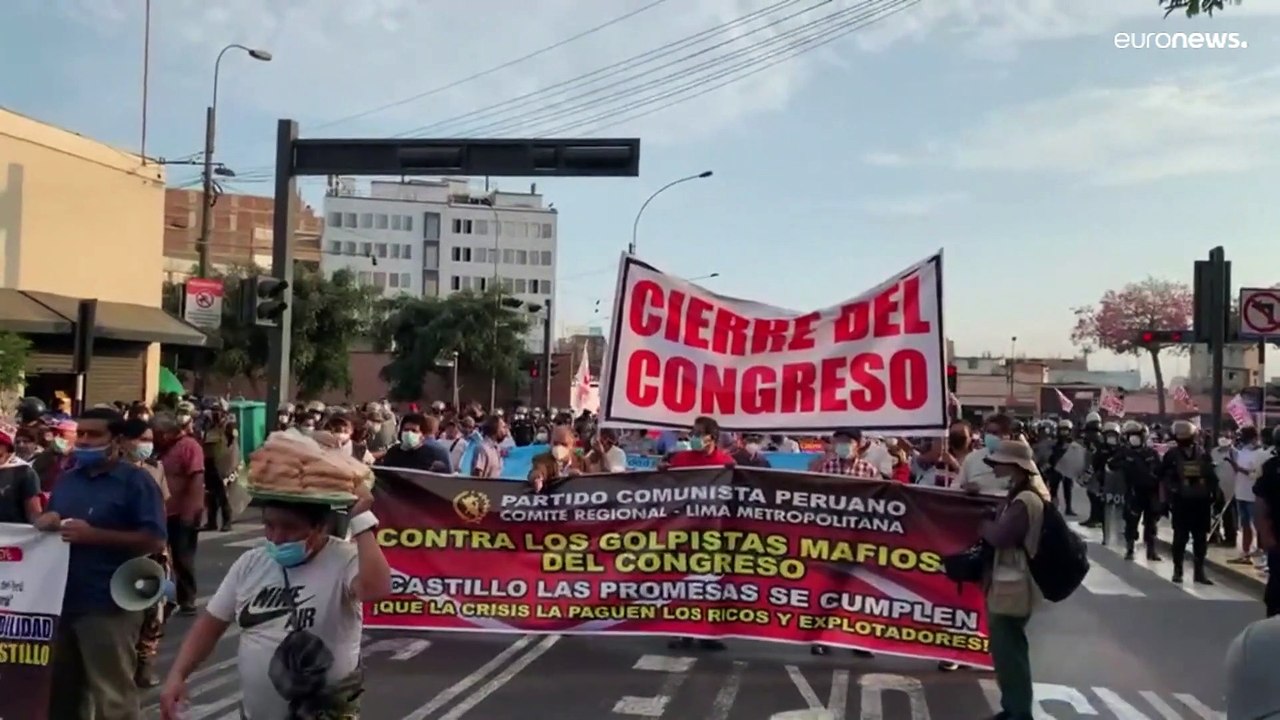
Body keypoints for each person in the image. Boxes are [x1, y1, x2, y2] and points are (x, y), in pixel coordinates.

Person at [159, 488, 393, 719]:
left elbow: (377, 589)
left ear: (320, 527)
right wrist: (178, 674)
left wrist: (361, 521)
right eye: (269, 525)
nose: (277, 537)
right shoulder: (250, 563)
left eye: (290, 528)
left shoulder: (344, 559)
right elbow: (210, 625)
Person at [38, 407, 167, 719]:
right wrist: (48, 520)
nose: (83, 441)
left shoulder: (136, 482)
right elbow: (55, 521)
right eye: (80, 434)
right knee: (61, 696)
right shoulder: (67, 480)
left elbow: (154, 540)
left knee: (112, 697)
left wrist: (94, 535)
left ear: (117, 440)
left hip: (109, 604)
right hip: (62, 602)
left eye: (93, 434)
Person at [980, 440, 1049, 720]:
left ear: (1016, 467)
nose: (995, 467)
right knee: (1006, 649)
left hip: (1015, 580)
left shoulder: (1025, 500)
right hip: (1010, 578)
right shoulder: (1017, 495)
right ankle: (1012, 707)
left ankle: (1019, 711)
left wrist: (983, 526)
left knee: (1010, 651)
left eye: (1000, 463)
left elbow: (1002, 537)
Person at [119, 417, 170, 687]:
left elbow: (163, 508)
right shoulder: (113, 473)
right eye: (141, 439)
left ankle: (145, 663)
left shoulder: (155, 469)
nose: (146, 445)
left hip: (155, 549)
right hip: (123, 548)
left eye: (149, 439)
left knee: (156, 607)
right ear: (123, 441)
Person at [155, 411, 206, 615]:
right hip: (163, 512)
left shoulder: (189, 447)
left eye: (157, 434)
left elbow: (196, 479)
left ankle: (187, 599)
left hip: (182, 513)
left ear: (165, 433)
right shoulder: (163, 450)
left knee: (182, 557)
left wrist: (190, 511)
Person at [1159, 419, 1218, 585]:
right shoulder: (1171, 456)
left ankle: (1199, 571)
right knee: (1180, 539)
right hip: (1181, 502)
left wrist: (1214, 495)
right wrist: (1169, 496)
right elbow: (1163, 477)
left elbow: (1211, 476)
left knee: (1200, 539)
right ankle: (1178, 570)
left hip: (1200, 502)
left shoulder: (1203, 454)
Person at [1113, 420, 1162, 561]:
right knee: (1131, 521)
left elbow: (1160, 471)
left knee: (1151, 523)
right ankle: (1129, 548)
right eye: (1130, 436)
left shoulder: (1152, 453)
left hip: (1151, 493)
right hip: (1133, 492)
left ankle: (1151, 550)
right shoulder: (1124, 453)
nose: (1134, 439)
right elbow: (1111, 465)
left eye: (1137, 436)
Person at [380, 413, 452, 473]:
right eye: (406, 430)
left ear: (423, 434)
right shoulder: (393, 452)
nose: (409, 433)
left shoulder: (435, 454)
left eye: (414, 431)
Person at [528, 425, 589, 492]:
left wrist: (579, 478)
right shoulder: (541, 459)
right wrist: (537, 479)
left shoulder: (582, 461)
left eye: (564, 444)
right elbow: (538, 471)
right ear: (550, 443)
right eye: (555, 443)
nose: (559, 447)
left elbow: (592, 481)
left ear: (572, 445)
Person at [0, 426, 41, 523]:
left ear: (8, 452)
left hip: (12, 535)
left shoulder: (24, 472)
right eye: (18, 442)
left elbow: (34, 514)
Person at [472, 414, 509, 479]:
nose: (505, 431)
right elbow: (477, 476)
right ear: (495, 429)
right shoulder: (482, 448)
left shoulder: (497, 449)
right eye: (503, 427)